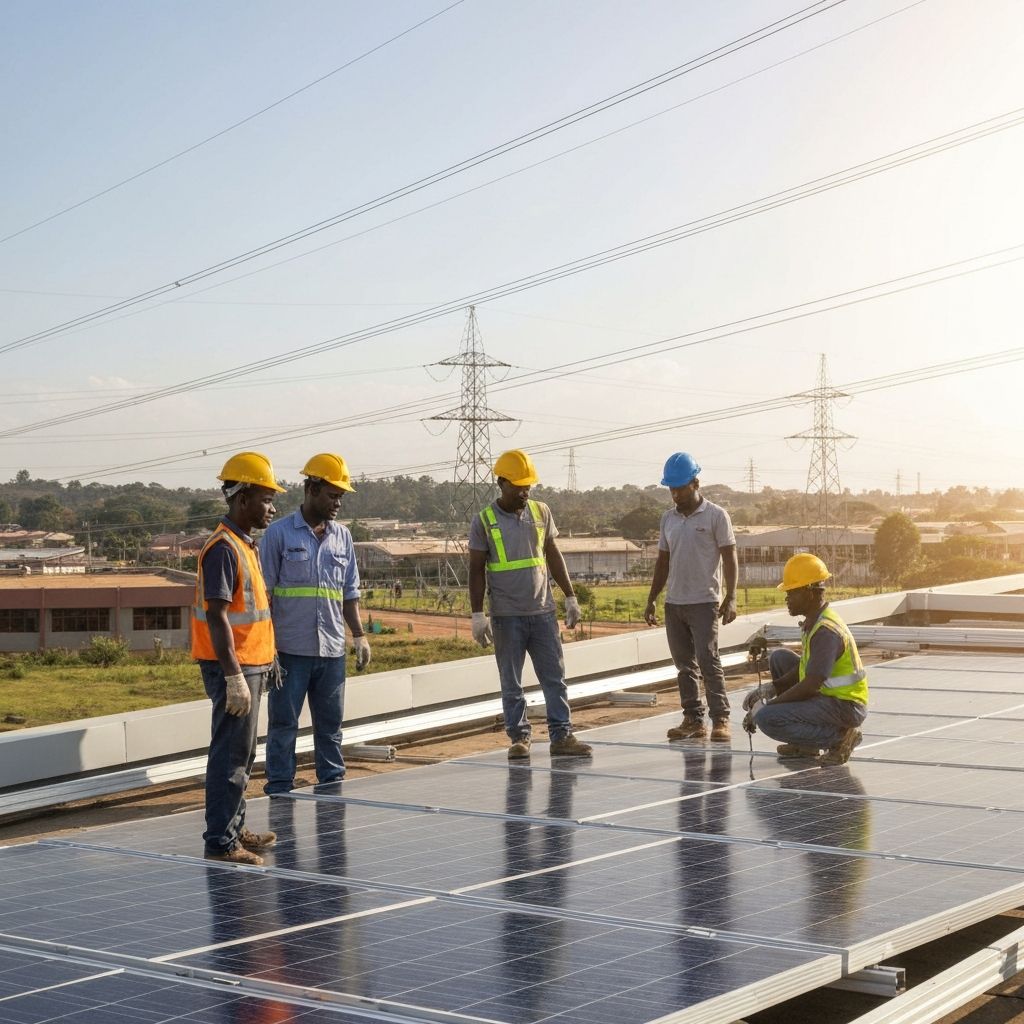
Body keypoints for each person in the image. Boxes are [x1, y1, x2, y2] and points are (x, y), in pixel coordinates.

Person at [468, 449, 593, 761]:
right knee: (511, 682)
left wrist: (570, 595)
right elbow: (475, 570)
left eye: (528, 486)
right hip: (506, 616)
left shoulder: (541, 512)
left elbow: (552, 553)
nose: (524, 493)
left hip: (543, 613)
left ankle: (561, 735)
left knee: (554, 678)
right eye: (518, 487)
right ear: (501, 483)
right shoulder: (484, 521)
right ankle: (519, 738)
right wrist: (477, 614)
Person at [192, 451, 285, 865]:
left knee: (244, 755)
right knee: (230, 756)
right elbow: (217, 615)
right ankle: (221, 842)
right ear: (242, 498)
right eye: (266, 499)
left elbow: (253, 613)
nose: (272, 508)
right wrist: (233, 676)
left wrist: (269, 657)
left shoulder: (245, 545)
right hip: (235, 668)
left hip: (252, 664)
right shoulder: (223, 549)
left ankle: (234, 827)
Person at [260, 453, 370, 794]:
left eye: (340, 497)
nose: (337, 503)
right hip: (289, 652)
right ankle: (280, 786)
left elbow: (349, 592)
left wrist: (359, 636)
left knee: (330, 726)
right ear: (311, 489)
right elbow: (264, 597)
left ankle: (332, 782)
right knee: (283, 724)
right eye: (332, 495)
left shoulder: (343, 537)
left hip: (332, 652)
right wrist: (267, 648)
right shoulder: (278, 535)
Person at [644, 452, 738, 743]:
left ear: (695, 483)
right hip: (675, 603)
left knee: (708, 661)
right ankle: (693, 720)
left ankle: (720, 719)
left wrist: (731, 596)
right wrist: (652, 598)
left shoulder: (716, 516)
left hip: (704, 601)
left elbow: (730, 557)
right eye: (671, 489)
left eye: (680, 488)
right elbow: (663, 561)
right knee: (684, 666)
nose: (675, 495)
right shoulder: (668, 519)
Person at [752, 553, 868, 765]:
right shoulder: (815, 621)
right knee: (779, 658)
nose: (787, 599)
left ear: (809, 592)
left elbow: (811, 684)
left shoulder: (826, 631)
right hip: (830, 698)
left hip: (844, 706)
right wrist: (772, 687)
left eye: (791, 592)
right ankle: (807, 744)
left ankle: (840, 738)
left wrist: (768, 705)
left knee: (766, 718)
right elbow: (807, 666)